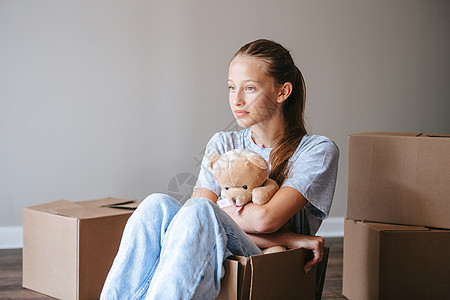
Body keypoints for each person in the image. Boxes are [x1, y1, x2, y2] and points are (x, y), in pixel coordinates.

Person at [100, 39, 339, 300]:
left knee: (203, 209)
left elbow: (264, 219)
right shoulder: (224, 143)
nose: (236, 99)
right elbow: (193, 217)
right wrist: (289, 237)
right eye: (231, 87)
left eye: (249, 88)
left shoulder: (316, 150)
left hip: (268, 264)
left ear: (282, 92)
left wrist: (220, 212)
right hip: (224, 250)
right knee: (155, 205)